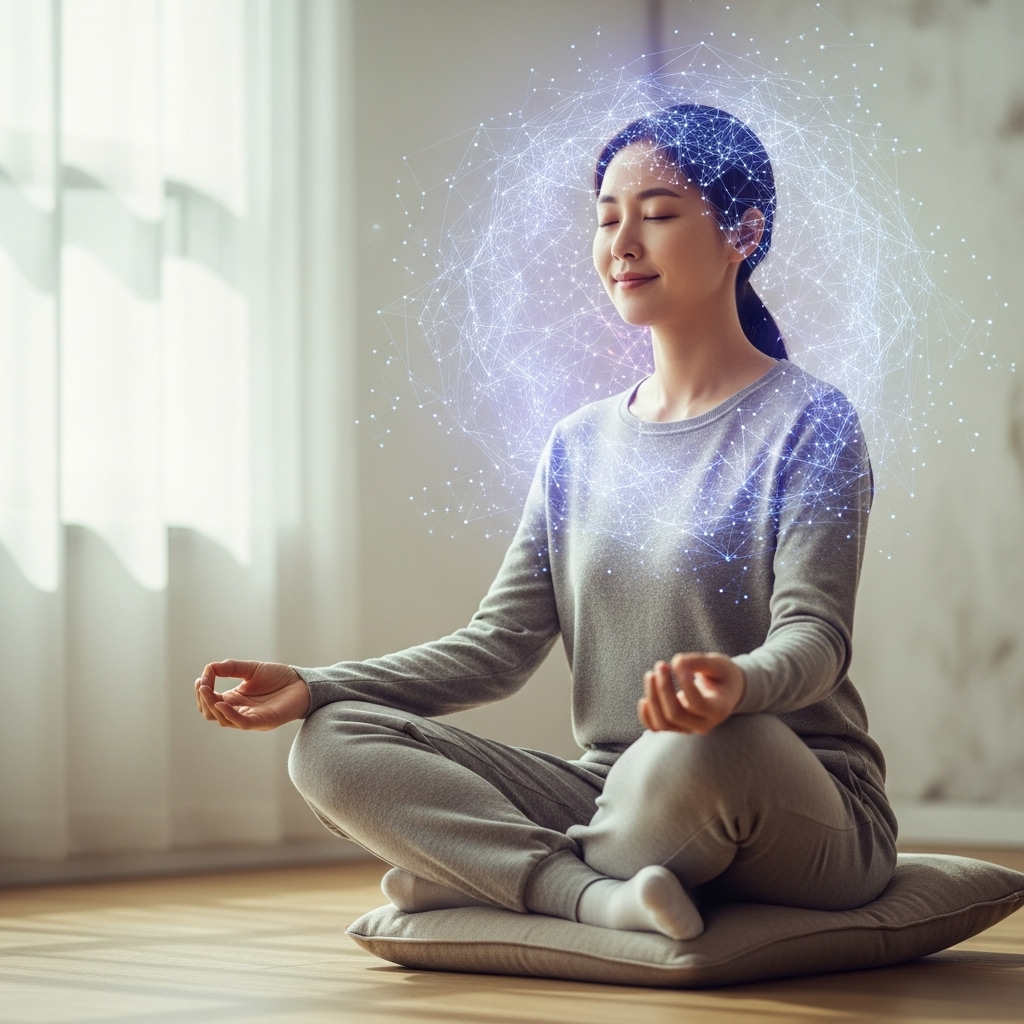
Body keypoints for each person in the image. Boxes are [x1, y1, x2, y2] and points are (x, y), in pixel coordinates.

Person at [195, 104, 897, 941]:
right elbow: (496, 648)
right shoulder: (578, 443)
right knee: (330, 744)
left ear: (744, 230)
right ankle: (590, 894)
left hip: (782, 786)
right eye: (607, 219)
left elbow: (815, 640)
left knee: (706, 749)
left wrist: (737, 686)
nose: (623, 243)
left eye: (660, 214)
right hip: (612, 792)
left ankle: (483, 875)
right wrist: (319, 685)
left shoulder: (811, 421)